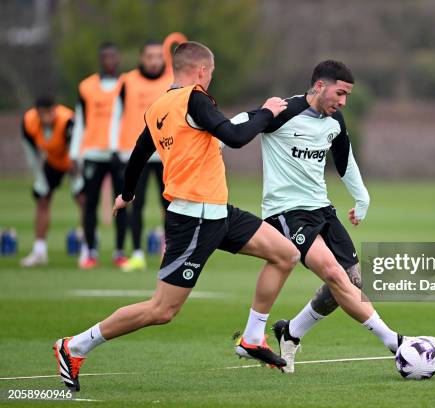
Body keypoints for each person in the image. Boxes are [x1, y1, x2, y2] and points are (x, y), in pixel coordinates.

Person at [53, 41, 299, 392]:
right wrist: (267, 112)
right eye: (210, 73)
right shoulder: (194, 98)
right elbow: (235, 135)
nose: (209, 80)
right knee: (161, 310)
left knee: (285, 254)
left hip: (218, 212)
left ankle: (252, 338)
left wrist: (126, 194)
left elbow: (139, 153)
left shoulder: (158, 107)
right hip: (194, 219)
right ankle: (74, 346)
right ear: (201, 71)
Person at [233, 60, 435, 373]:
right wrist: (207, 139)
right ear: (319, 86)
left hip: (322, 209)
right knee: (333, 273)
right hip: (287, 212)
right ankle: (396, 343)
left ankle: (291, 332)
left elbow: (345, 160)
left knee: (351, 280)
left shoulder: (335, 121)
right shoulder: (282, 112)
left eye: (347, 96)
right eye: (340, 93)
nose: (343, 101)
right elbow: (233, 127)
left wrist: (362, 196)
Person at [116, 33, 187, 272]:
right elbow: (117, 115)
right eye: (150, 56)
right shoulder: (127, 81)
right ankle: (136, 253)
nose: (155, 60)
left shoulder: (172, 80)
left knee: (169, 204)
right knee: (136, 202)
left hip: (167, 152)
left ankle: (169, 250)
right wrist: (115, 145)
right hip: (136, 152)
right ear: (141, 58)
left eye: (159, 56)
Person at [69, 42, 128, 269]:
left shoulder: (127, 84)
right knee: (89, 203)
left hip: (120, 154)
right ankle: (90, 250)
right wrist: (75, 153)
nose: (110, 62)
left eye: (113, 57)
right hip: (93, 152)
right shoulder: (86, 86)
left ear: (119, 60)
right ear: (100, 60)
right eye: (106, 58)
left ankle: (120, 251)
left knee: (123, 202)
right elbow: (80, 121)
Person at [20, 97, 83, 266]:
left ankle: (88, 248)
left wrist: (77, 177)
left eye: (49, 113)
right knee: (42, 199)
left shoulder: (67, 120)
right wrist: (39, 178)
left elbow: (76, 148)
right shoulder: (29, 122)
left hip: (73, 160)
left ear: (55, 110)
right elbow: (31, 154)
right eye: (42, 114)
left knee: (84, 200)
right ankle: (39, 250)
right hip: (53, 161)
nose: (46, 118)